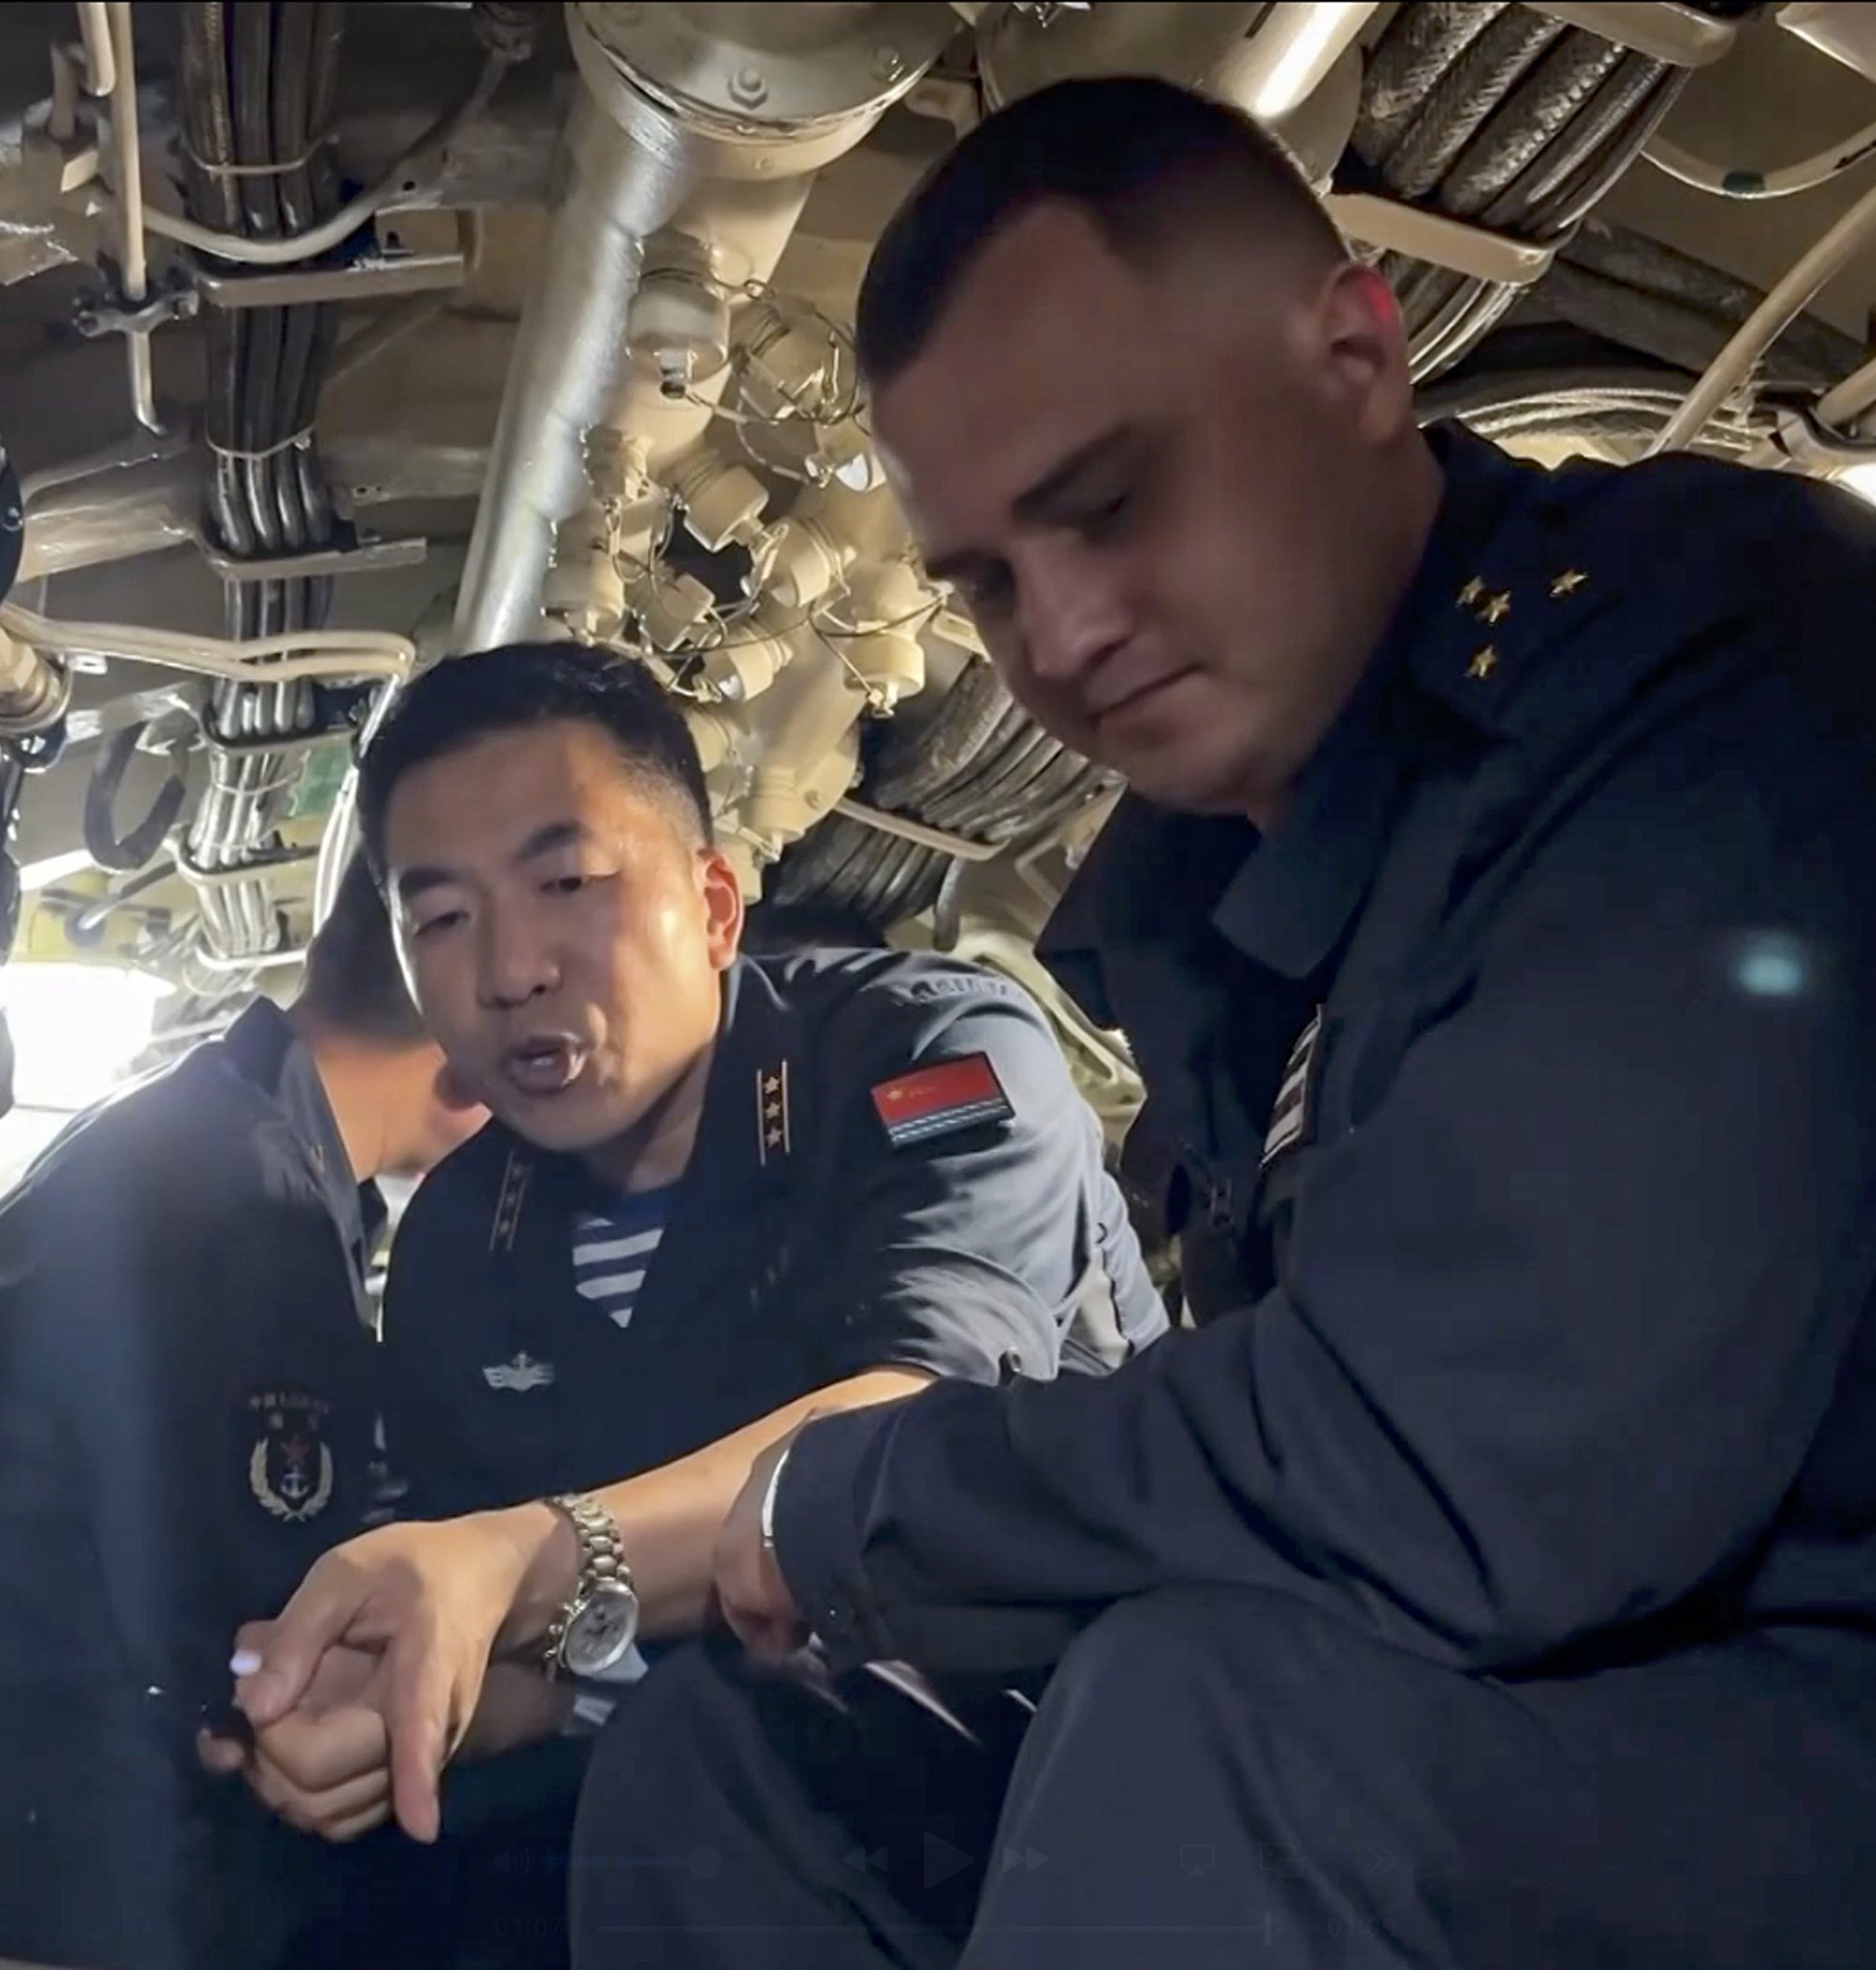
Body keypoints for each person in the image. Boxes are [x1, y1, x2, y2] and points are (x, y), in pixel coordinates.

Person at [566, 76, 1876, 1970]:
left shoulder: (1722, 671)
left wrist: (842, 1511)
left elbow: (1463, 1478)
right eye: (990, 581)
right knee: (749, 1766)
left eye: (1111, 504)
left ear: (1356, 355)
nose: (1065, 633)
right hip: (1589, 1753)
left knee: (1220, 1744)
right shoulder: (1213, 907)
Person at [220, 639, 1166, 1860]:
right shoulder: (459, 1236)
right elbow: (557, 1677)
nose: (511, 972)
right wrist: (399, 1704)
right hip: (700, 1799)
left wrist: (523, 1556)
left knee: (698, 1749)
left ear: (717, 909)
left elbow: (921, 1415)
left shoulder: (927, 1058)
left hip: (1061, 1758)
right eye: (444, 918)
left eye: (568, 886)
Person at [0, 880, 527, 1970]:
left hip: (11, 1863)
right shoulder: (247, 1203)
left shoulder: (194, 1135)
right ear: (463, 1071)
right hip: (85, 1897)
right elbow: (264, 1620)